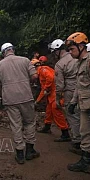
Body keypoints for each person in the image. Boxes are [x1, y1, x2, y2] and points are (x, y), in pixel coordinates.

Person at [0, 42, 39, 164]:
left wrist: (1, 97)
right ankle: (30, 151)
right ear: (13, 50)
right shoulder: (25, 60)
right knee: (29, 122)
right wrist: (26, 83)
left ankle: (19, 154)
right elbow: (34, 76)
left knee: (16, 125)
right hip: (26, 97)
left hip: (10, 99)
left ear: (3, 53)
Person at [49, 39, 81, 154]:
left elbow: (59, 85)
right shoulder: (78, 57)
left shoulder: (60, 64)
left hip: (70, 90)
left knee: (73, 116)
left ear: (57, 51)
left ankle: (78, 141)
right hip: (83, 88)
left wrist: (57, 99)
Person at [65, 32, 90, 173]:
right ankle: (86, 160)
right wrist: (73, 102)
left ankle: (85, 162)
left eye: (72, 49)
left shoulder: (89, 61)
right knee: (85, 132)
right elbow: (79, 86)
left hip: (89, 105)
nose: (70, 52)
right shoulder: (79, 63)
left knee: (86, 133)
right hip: (84, 105)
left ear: (81, 46)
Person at [34, 56, 70, 142]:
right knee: (49, 111)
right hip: (52, 94)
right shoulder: (44, 69)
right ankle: (47, 126)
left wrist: (38, 99)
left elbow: (50, 79)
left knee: (56, 112)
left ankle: (65, 133)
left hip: (55, 94)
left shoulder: (43, 70)